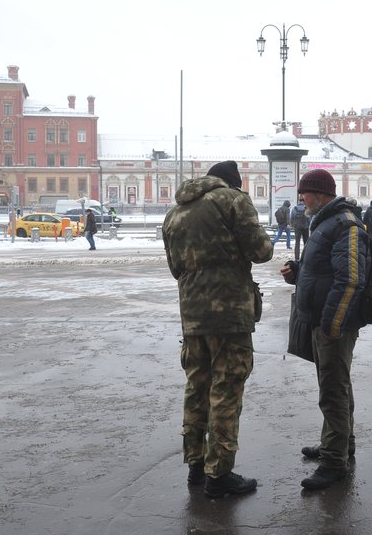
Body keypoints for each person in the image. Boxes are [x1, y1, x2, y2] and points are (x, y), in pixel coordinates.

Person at [162, 160, 273, 499]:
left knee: (197, 386)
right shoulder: (233, 200)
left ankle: (196, 465)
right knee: (225, 389)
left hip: (192, 314)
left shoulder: (175, 212)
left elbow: (174, 267)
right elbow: (261, 251)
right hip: (229, 314)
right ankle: (219, 474)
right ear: (232, 181)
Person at [279, 168, 370, 491]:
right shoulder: (325, 222)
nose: (300, 198)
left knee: (332, 390)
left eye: (304, 192)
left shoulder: (345, 224)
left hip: (335, 324)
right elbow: (325, 271)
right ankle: (340, 443)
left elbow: (351, 278)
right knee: (336, 384)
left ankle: (334, 462)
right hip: (324, 320)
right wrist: (299, 272)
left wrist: (333, 323)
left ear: (320, 193)